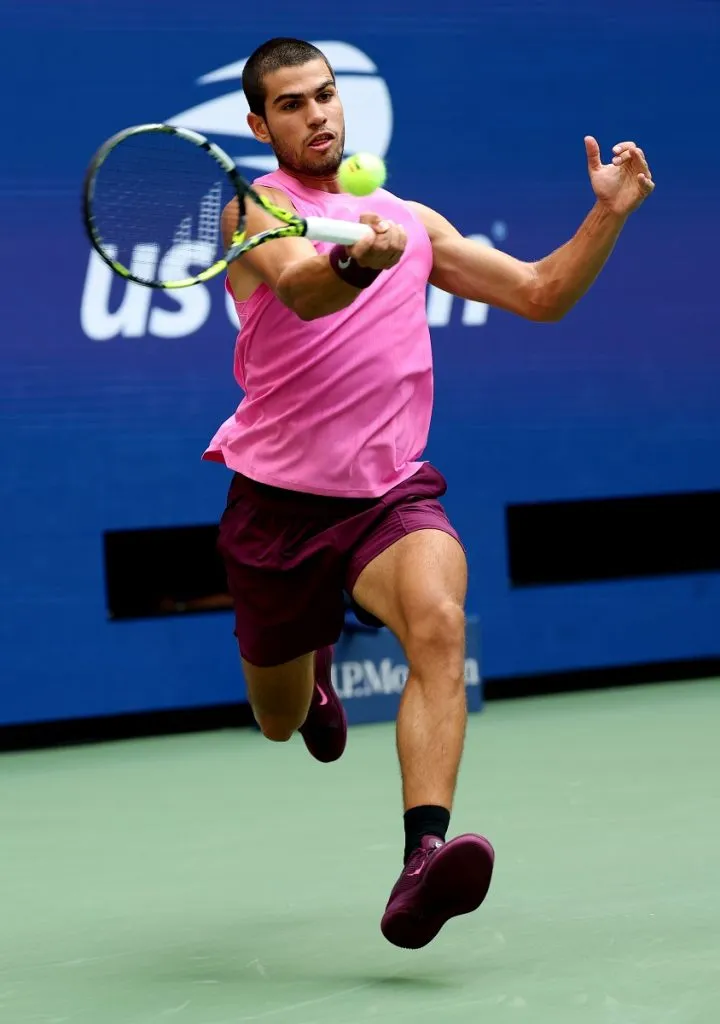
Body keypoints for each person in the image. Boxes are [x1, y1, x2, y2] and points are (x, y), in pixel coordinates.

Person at [203, 37, 655, 949]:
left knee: (440, 622)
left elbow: (538, 293)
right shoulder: (253, 211)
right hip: (276, 505)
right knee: (277, 717)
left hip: (387, 496)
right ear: (259, 125)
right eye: (291, 105)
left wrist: (605, 215)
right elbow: (300, 291)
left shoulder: (407, 218)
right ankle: (314, 665)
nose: (318, 115)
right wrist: (357, 263)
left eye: (325, 96)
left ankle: (422, 860)